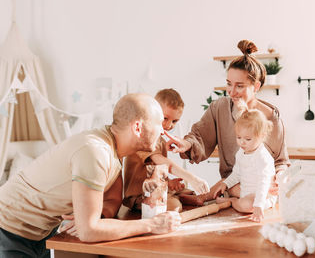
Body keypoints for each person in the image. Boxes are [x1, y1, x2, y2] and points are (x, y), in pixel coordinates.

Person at [0, 93, 181, 258]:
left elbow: (112, 200)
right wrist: (153, 224)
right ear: (138, 127)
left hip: (41, 234)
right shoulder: (95, 152)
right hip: (8, 230)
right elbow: (89, 231)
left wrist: (90, 217)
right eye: (159, 123)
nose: (163, 131)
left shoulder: (114, 150)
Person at [165, 39, 290, 205]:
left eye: (239, 86)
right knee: (233, 190)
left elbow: (281, 161)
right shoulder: (220, 108)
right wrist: (185, 144)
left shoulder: (271, 118)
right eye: (229, 84)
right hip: (230, 184)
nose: (232, 92)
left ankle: (205, 197)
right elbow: (199, 135)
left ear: (256, 86)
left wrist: (280, 176)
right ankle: (208, 197)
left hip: (261, 189)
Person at [123, 89, 209, 212]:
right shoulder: (143, 136)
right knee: (175, 206)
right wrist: (191, 178)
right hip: (139, 195)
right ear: (153, 111)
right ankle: (177, 198)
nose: (169, 125)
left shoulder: (161, 140)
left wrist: (170, 183)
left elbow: (156, 170)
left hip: (156, 188)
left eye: (175, 121)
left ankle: (179, 196)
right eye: (165, 118)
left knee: (189, 192)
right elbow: (162, 162)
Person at [212, 108, 276, 222]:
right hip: (245, 190)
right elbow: (237, 173)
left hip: (261, 194)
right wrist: (225, 184)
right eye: (238, 137)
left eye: (247, 139)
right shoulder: (241, 152)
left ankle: (232, 201)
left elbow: (264, 183)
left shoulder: (263, 157)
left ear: (262, 136)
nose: (242, 142)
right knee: (225, 186)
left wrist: (259, 205)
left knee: (246, 205)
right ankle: (231, 196)